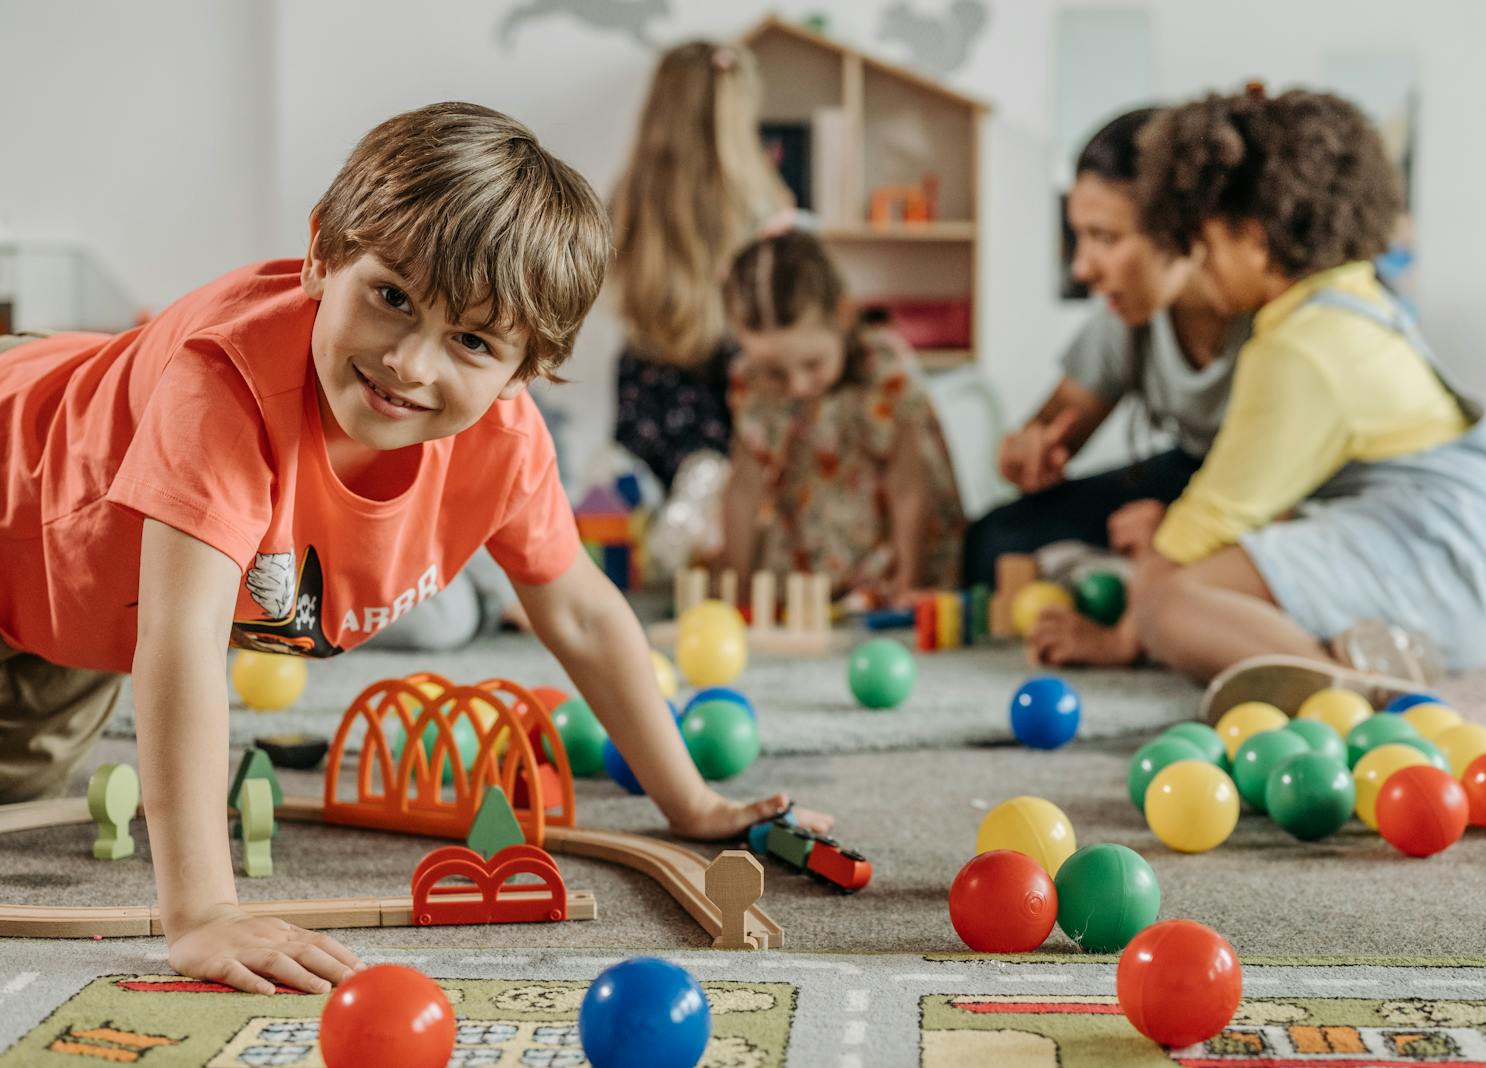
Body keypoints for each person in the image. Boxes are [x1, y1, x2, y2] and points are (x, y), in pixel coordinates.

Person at [0, 102, 830, 997]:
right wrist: (201, 912)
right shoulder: (223, 386)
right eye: (391, 297)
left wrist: (693, 804)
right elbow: (179, 636)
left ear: (524, 372)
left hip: (73, 608)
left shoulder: (504, 442)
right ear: (321, 254)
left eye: (471, 341)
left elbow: (582, 611)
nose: (410, 364)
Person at [1118, 86, 1486, 683]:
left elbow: (1209, 522)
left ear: (1257, 241)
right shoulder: (1353, 299)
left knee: (1170, 602)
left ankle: (1349, 692)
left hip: (1444, 563)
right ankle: (1362, 647)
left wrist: (1127, 631)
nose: (1200, 271)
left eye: (1204, 248)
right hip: (1473, 553)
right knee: (1215, 574)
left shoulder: (1298, 348)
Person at [958, 108, 1252, 665]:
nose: (1082, 267)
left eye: (1105, 238)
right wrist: (1027, 452)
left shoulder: (1273, 324)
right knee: (993, 540)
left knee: (1204, 562)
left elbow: (1278, 496)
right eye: (1079, 236)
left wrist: (1180, 534)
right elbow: (1057, 423)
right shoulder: (1128, 316)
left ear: (1185, 230)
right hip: (1187, 471)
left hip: (1268, 495)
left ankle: (1147, 601)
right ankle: (1133, 581)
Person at [717, 230, 965, 604]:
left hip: (888, 546)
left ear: (844, 316)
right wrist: (736, 586)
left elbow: (908, 486)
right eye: (775, 371)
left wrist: (908, 580)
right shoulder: (752, 383)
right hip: (806, 548)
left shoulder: (883, 368)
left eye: (812, 364)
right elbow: (744, 489)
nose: (797, 385)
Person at [609, 40, 794, 490]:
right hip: (733, 382)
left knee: (647, 528)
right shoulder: (764, 203)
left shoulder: (631, 196)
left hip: (647, 380)